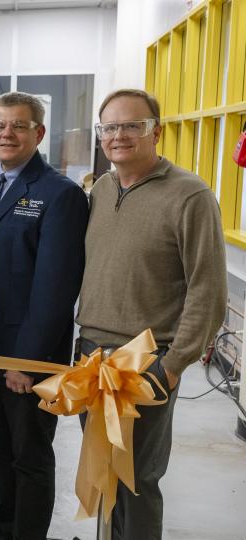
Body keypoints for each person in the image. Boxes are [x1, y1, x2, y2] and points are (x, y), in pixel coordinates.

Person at [76, 88, 226, 540]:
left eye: (131, 125)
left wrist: (174, 364)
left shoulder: (189, 195)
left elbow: (208, 289)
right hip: (91, 355)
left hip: (146, 359)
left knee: (136, 478)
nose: (119, 135)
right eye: (110, 127)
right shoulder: (101, 189)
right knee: (101, 469)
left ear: (155, 131)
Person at [0, 92, 88, 540]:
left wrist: (25, 361)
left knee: (29, 454)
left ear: (39, 133)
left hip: (22, 358)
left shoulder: (59, 195)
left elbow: (54, 289)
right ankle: (2, 529)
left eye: (18, 126)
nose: (6, 134)